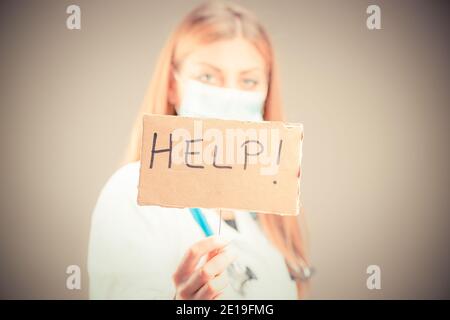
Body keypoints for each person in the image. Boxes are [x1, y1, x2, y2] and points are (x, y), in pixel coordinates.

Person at [88, 0, 311, 300]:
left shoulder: (268, 214)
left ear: (266, 90)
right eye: (208, 77)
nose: (230, 95)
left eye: (249, 80)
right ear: (172, 84)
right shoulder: (132, 190)